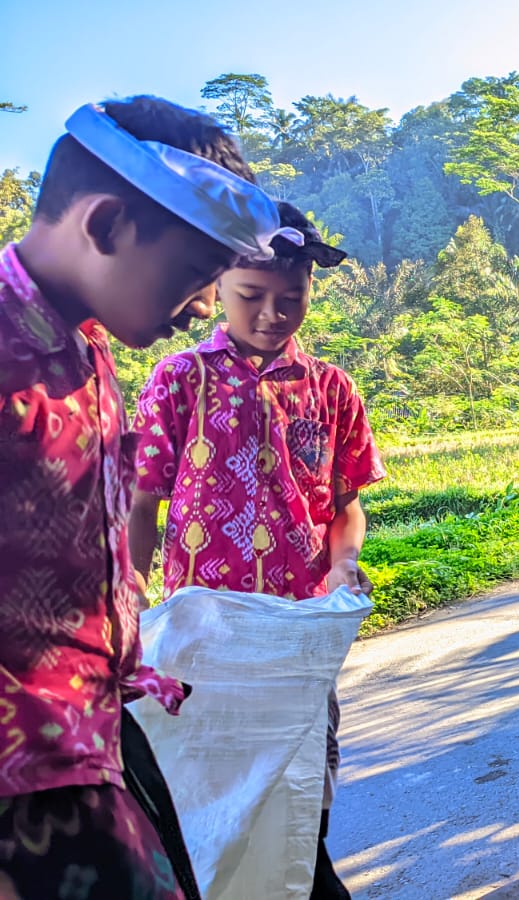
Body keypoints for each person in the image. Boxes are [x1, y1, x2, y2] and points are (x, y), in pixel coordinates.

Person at [0, 97, 284, 899]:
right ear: (109, 224)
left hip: (90, 743)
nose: (202, 305)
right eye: (195, 276)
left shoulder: (90, 348)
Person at [129, 201, 383, 900]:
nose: (272, 313)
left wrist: (342, 561)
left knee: (301, 792)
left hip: (295, 632)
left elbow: (345, 504)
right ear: (220, 285)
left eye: (290, 299)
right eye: (251, 297)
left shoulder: (333, 389)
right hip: (200, 632)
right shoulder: (178, 380)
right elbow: (143, 502)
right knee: (206, 798)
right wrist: (129, 592)